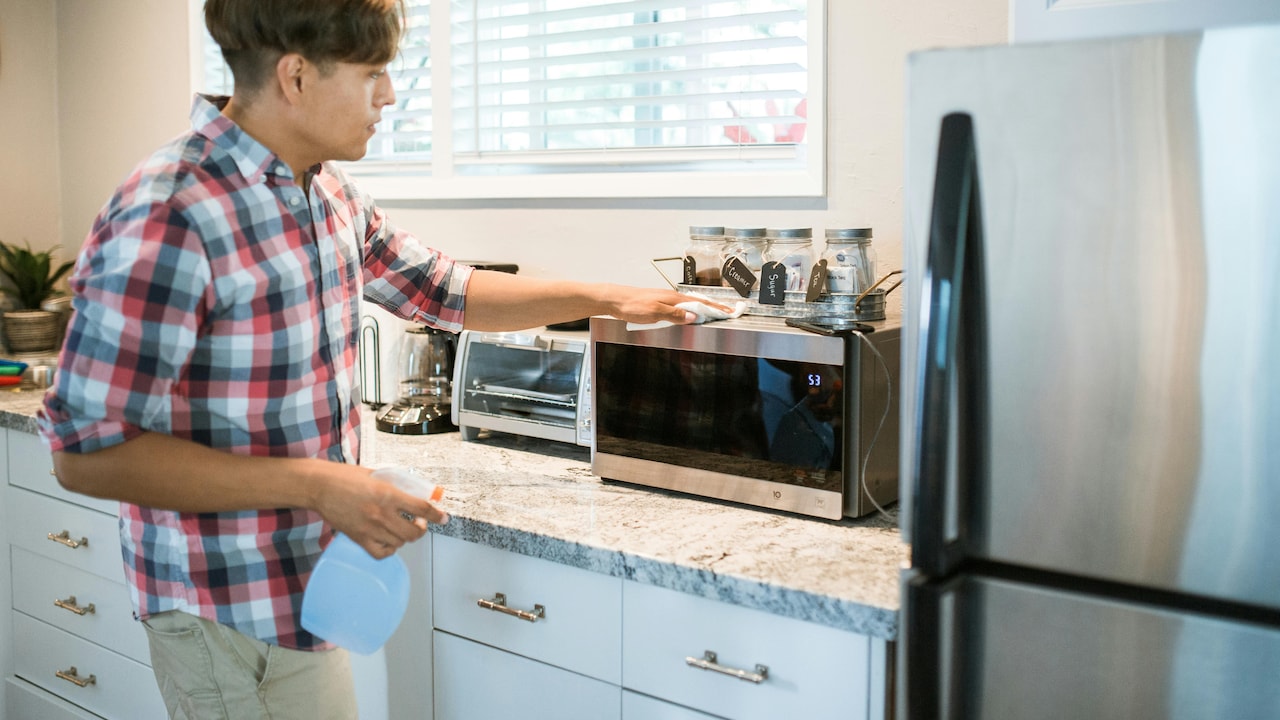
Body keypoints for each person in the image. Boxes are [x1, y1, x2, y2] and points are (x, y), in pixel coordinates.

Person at [36, 1, 720, 717]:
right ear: (296, 76)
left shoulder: (324, 189)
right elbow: (85, 454)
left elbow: (444, 289)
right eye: (372, 74)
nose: (389, 96)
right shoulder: (170, 212)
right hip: (221, 606)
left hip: (308, 586)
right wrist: (321, 486)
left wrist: (612, 298)